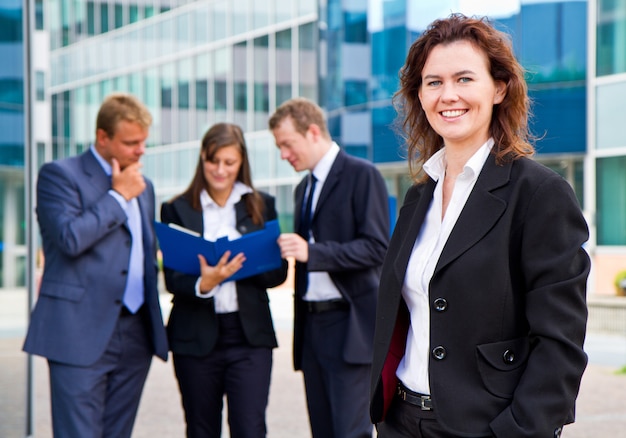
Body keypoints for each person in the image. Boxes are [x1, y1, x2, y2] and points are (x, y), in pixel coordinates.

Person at [369, 14, 591, 438]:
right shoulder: (418, 198)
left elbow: (560, 345)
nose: (447, 95)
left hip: (485, 427)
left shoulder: (540, 194)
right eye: (433, 82)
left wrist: (516, 431)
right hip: (400, 421)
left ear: (499, 88)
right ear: (419, 94)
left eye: (464, 79)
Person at [23, 92, 169, 438]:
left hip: (135, 333)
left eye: (144, 142)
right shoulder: (60, 176)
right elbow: (70, 239)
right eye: (131, 142)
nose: (140, 151)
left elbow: (143, 254)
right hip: (79, 331)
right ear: (102, 138)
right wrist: (118, 197)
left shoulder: (145, 187)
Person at [269, 97, 390, 438]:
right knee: (322, 430)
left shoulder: (362, 175)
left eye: (287, 144)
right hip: (312, 329)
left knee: (350, 433)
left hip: (350, 328)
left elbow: (377, 247)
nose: (283, 154)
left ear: (311, 132)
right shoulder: (302, 189)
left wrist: (313, 252)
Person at [160, 122, 289, 438]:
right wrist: (207, 282)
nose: (220, 170)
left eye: (229, 163)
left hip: (249, 338)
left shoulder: (261, 205)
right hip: (195, 338)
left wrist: (248, 261)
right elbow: (173, 279)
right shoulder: (175, 209)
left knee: (250, 428)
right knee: (201, 429)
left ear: (241, 162)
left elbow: (277, 275)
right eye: (213, 161)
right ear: (202, 157)